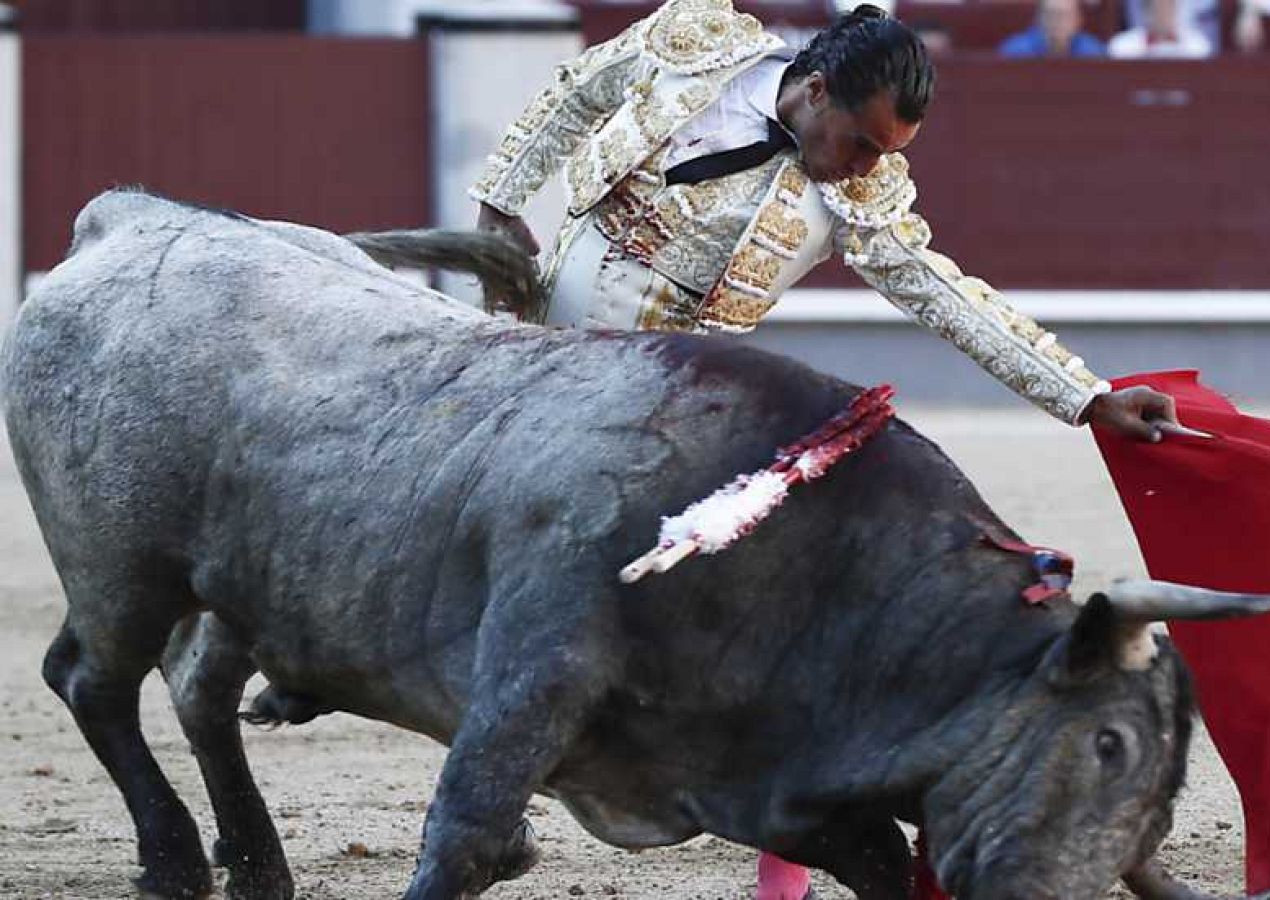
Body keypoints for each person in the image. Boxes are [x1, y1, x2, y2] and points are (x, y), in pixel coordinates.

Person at [471, 2, 1183, 896]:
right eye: (861, 143)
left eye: (887, 154)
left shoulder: (857, 196)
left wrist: (1086, 395)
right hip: (527, 354)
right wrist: (499, 201)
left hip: (666, 421)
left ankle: (789, 868)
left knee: (778, 628)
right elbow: (574, 95)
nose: (867, 167)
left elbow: (946, 294)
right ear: (813, 90)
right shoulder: (694, 41)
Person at [999, 0, 1109, 57]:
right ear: (1038, 18)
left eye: (1064, 16)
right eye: (1051, 15)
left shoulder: (1093, 52)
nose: (1057, 22)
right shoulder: (1015, 52)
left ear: (1078, 20)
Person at [1109, 0, 1214, 56]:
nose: (1163, 14)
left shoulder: (1198, 44)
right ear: (1146, 12)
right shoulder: (1122, 44)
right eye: (1157, 9)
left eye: (1168, 8)